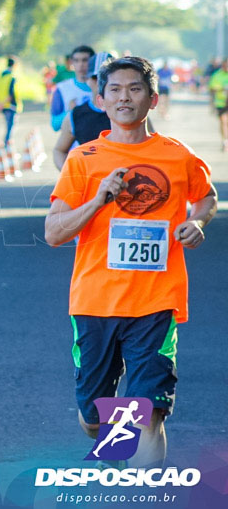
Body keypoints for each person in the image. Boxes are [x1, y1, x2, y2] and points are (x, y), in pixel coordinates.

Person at [44, 56, 216, 468]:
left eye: (135, 89)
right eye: (116, 90)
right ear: (100, 100)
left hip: (156, 303)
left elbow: (206, 197)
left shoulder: (178, 156)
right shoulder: (83, 159)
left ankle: (143, 491)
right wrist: (98, 199)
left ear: (152, 99)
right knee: (94, 417)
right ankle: (109, 434)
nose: (125, 97)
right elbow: (54, 233)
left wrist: (197, 221)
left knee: (147, 412)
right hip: (95, 303)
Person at [53, 52, 114, 170]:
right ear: (88, 80)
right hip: (89, 183)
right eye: (96, 78)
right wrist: (71, 177)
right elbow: (59, 150)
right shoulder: (76, 115)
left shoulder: (129, 111)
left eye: (107, 78)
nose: (101, 83)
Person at [50, 45, 94, 131]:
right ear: (72, 62)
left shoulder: (103, 87)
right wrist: (70, 111)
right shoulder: (62, 88)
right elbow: (55, 125)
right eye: (76, 61)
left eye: (85, 60)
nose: (80, 64)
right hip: (74, 144)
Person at [0, 57, 21, 147]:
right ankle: (7, 143)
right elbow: (11, 93)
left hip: (3, 105)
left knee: (8, 125)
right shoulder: (12, 77)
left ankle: (7, 142)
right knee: (11, 126)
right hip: (11, 105)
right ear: (14, 65)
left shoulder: (1, 78)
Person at [208, 58, 228, 151]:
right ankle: (225, 141)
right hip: (221, 102)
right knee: (223, 121)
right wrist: (222, 88)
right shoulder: (217, 75)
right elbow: (212, 88)